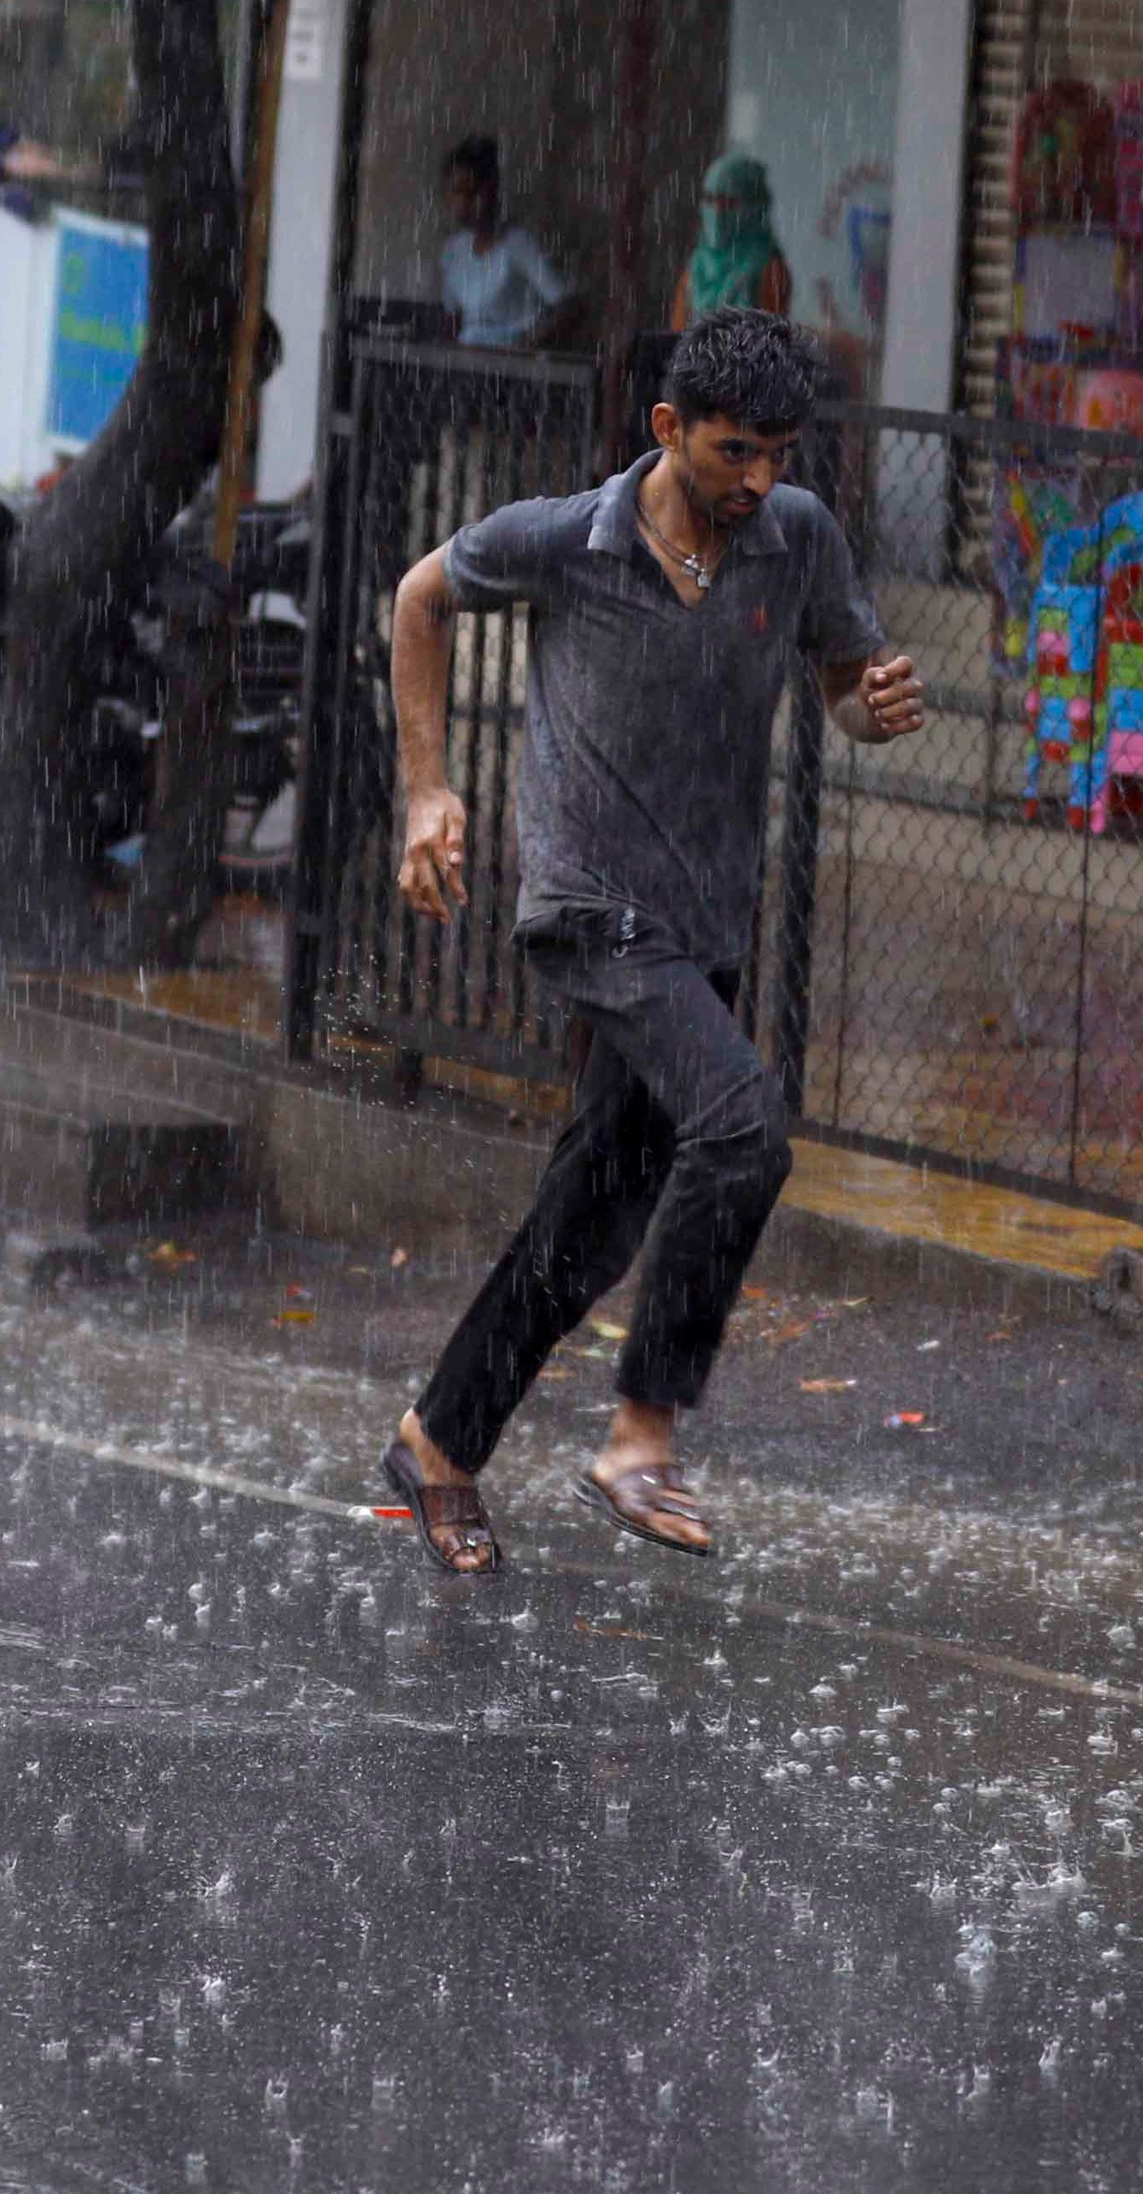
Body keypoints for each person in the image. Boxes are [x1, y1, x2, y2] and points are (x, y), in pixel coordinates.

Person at [372, 308, 924, 1570]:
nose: (759, 481)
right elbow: (420, 597)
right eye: (734, 453)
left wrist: (870, 706)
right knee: (742, 1128)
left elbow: (846, 681)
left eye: (779, 453)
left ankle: (439, 1442)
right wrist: (426, 789)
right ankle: (641, 1435)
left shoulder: (792, 539)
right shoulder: (567, 540)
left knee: (593, 1225)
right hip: (587, 906)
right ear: (667, 430)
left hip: (699, 920)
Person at [432, 137, 574, 350]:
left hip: (512, 366)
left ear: (492, 190)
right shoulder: (454, 250)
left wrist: (528, 346)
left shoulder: (518, 245)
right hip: (468, 363)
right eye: (456, 192)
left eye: (472, 192)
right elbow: (452, 317)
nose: (464, 202)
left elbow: (571, 307)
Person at [676, 151, 793, 328]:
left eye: (728, 203)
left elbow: (770, 340)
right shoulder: (695, 270)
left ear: (754, 208)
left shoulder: (769, 271)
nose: (716, 212)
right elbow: (676, 338)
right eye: (710, 200)